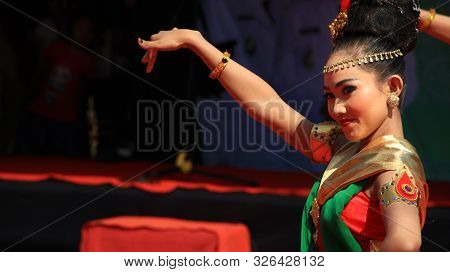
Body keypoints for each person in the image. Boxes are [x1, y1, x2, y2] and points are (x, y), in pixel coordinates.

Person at [137, 0, 429, 252]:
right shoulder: (346, 146)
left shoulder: (393, 168)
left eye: (348, 90)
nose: (336, 108)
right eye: (329, 96)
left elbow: (405, 243)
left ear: (392, 86)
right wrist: (197, 42)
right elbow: (271, 108)